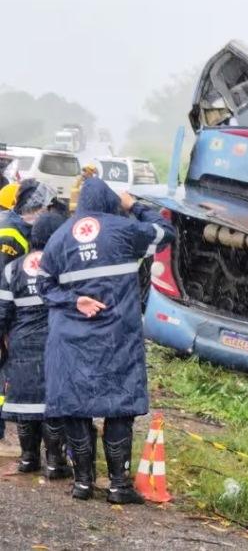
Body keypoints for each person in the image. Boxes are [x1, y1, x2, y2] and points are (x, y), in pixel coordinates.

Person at [38, 178, 175, 502]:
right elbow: (165, 232)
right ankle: (118, 486)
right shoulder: (125, 231)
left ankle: (83, 483)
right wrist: (134, 206)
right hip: (116, 337)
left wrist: (75, 301)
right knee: (119, 407)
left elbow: (44, 287)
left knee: (75, 408)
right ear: (111, 202)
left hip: (71, 338)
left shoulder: (59, 238)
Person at [0, 212, 71, 478]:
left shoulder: (13, 268)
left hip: (20, 344)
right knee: (51, 403)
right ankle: (54, 461)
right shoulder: (60, 266)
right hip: (54, 343)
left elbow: (2, 311)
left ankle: (28, 458)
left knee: (25, 400)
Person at [0, 179, 57, 270]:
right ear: (33, 207)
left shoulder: (25, 226)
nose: (47, 211)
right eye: (45, 207)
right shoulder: (9, 236)